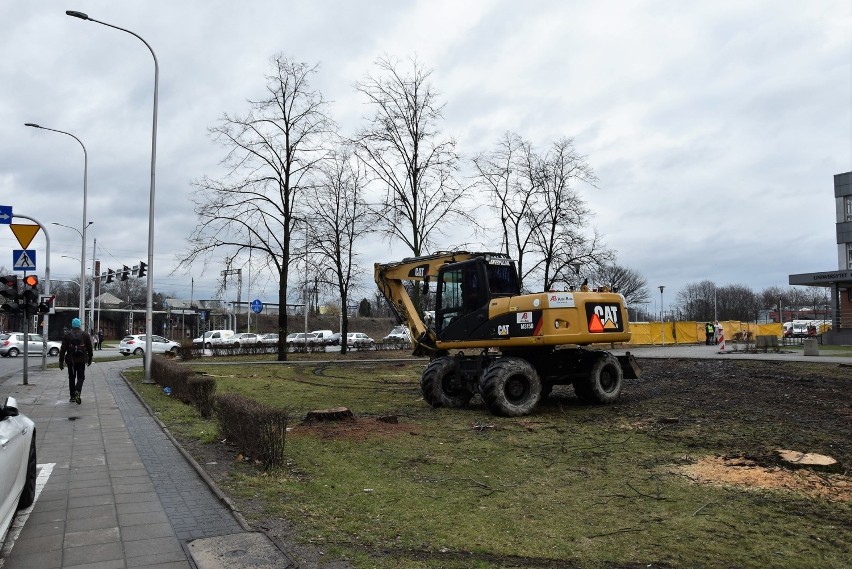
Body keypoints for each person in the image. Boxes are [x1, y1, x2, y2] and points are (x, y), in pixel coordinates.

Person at [59, 318, 94, 405]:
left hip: (70, 360)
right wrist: (90, 358)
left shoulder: (67, 335)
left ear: (72, 325)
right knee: (81, 377)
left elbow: (63, 349)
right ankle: (77, 391)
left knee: (71, 378)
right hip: (81, 359)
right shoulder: (85, 335)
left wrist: (61, 361)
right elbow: (90, 347)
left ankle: (72, 397)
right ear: (79, 325)